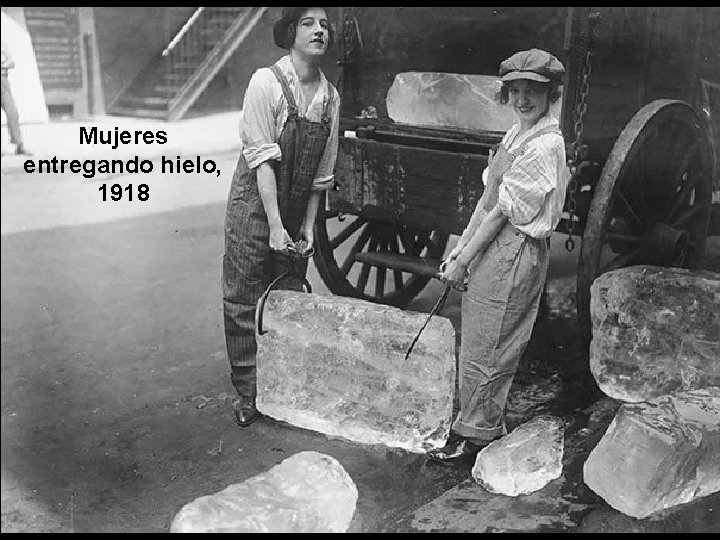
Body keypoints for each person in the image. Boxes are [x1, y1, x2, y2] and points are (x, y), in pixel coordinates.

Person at [429, 49, 569, 461]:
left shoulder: (546, 144)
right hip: (494, 244)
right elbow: (487, 202)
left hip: (516, 250)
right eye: (516, 91)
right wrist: (459, 251)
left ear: (551, 94)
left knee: (495, 345)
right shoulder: (515, 134)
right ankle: (476, 424)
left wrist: (465, 258)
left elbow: (504, 213)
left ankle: (477, 434)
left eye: (534, 92)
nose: (523, 100)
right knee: (477, 339)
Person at [222, 7, 339, 427]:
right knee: (244, 299)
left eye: (324, 25)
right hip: (256, 205)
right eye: (309, 23)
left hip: (293, 210)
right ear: (290, 33)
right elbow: (262, 162)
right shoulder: (265, 83)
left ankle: (281, 389)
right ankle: (249, 393)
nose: (319, 31)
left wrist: (306, 227)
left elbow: (321, 175)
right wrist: (275, 226)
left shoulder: (329, 98)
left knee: (286, 298)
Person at [1, 40, 29, 155]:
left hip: (3, 81)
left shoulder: (2, 44)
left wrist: (4, 64)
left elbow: (11, 62)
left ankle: (19, 145)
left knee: (12, 112)